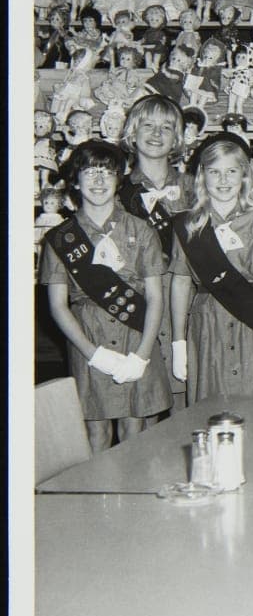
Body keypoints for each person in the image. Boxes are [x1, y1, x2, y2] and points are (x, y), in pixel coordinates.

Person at [40, 140, 172, 452]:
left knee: (135, 432)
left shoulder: (142, 231)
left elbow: (155, 297)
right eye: (89, 172)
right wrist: (93, 354)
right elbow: (58, 306)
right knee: (95, 433)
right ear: (75, 181)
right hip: (88, 340)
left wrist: (141, 355)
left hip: (136, 337)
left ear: (118, 179)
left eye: (107, 172)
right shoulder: (60, 239)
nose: (99, 180)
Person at [169, 133, 253, 404]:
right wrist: (178, 342)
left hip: (252, 321)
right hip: (207, 323)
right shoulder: (188, 224)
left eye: (231, 171)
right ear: (203, 176)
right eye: (215, 172)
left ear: (244, 175)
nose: (223, 180)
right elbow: (181, 282)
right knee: (210, 404)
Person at [118, 95, 193, 412]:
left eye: (166, 127)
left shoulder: (196, 187)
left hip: (186, 305)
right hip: (140, 303)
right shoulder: (116, 190)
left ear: (177, 138)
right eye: (148, 125)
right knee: (142, 408)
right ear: (132, 132)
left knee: (187, 405)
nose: (156, 133)